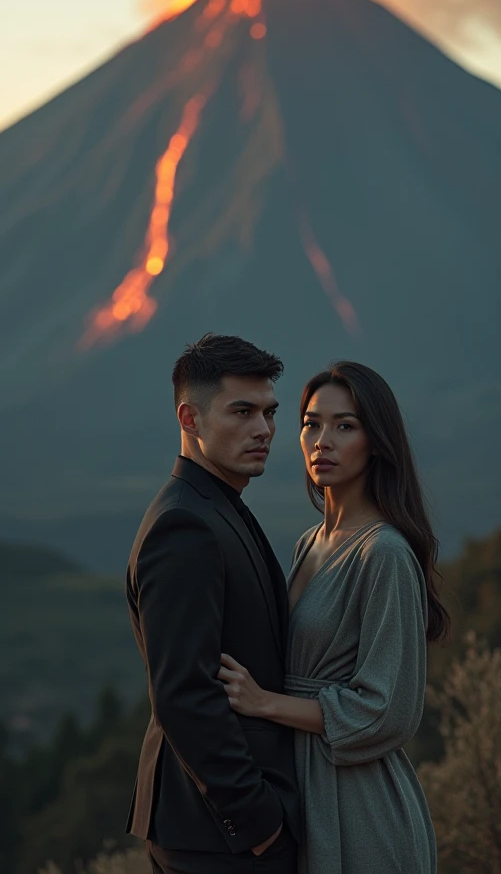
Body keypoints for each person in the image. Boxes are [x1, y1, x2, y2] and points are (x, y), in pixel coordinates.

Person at [218, 361, 450, 874]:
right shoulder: (310, 542)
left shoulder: (383, 553)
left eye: (345, 426)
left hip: (361, 807)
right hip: (302, 790)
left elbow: (386, 710)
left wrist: (265, 704)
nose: (323, 440)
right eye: (311, 423)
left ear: (377, 442)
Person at [125, 333, 301, 874]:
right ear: (190, 418)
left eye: (269, 413)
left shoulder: (218, 505)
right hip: (216, 837)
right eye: (242, 411)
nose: (264, 430)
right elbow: (182, 693)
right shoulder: (184, 525)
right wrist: (257, 822)